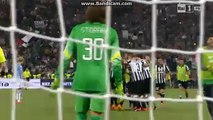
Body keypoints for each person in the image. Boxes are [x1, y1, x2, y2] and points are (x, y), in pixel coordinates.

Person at [51, 6, 122, 120]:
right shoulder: (111, 32)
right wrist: (119, 86)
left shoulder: (77, 30)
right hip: (100, 80)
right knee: (96, 113)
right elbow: (117, 63)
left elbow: (65, 58)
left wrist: (57, 79)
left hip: (81, 79)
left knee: (81, 112)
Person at [201, 35, 213, 120]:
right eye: (210, 39)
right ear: (207, 41)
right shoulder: (202, 50)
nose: (212, 40)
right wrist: (209, 68)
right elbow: (200, 65)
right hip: (206, 80)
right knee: (209, 102)